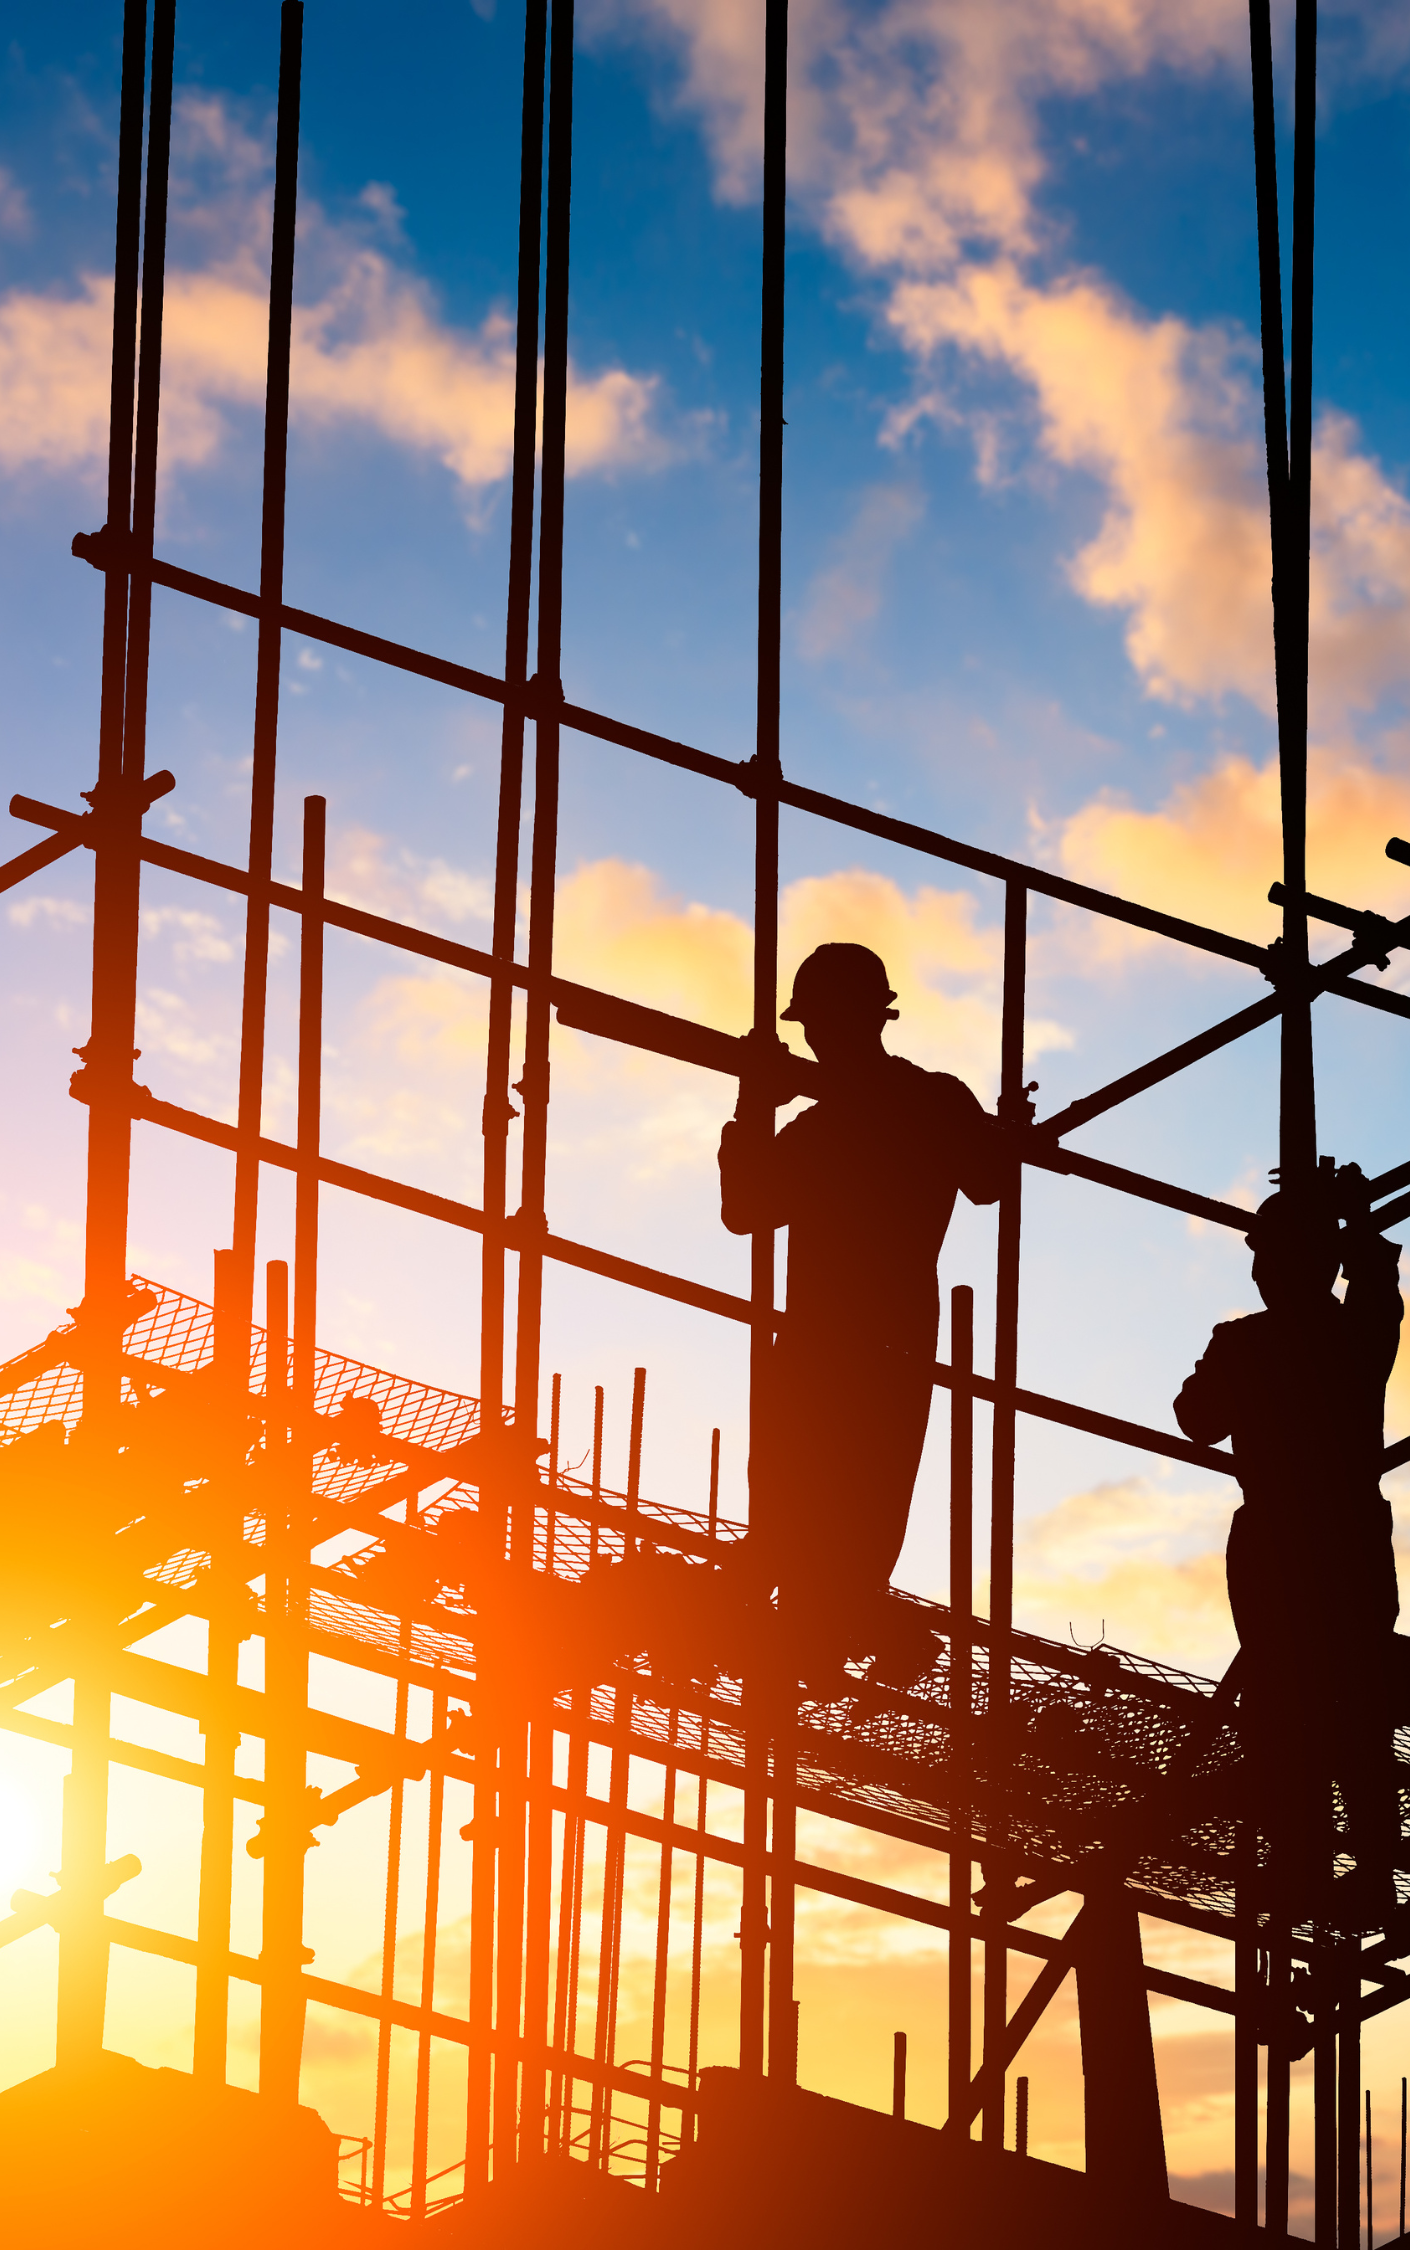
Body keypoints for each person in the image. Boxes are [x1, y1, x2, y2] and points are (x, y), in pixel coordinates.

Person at [719, 942, 1009, 1679]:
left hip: (834, 1339)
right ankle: (824, 1623)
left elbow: (743, 1206)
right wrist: (1001, 1130)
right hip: (884, 1338)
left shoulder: (832, 1126)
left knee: (817, 1492)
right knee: (844, 1495)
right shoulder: (927, 1102)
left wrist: (753, 1102)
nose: (817, 1040)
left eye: (819, 1025)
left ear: (847, 1023)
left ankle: (814, 1629)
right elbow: (988, 1179)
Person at [1173, 1169, 1402, 1923]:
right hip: (1348, 1541)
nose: (1260, 1270)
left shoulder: (1246, 1343)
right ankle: (1363, 1870)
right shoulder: (1356, 1332)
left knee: (1289, 1709)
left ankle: (1305, 1864)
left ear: (1276, 1265)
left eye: (1266, 1256)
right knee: (1352, 1710)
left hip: (1278, 1542)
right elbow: (1377, 1282)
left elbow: (1196, 1417)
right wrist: (1356, 1218)